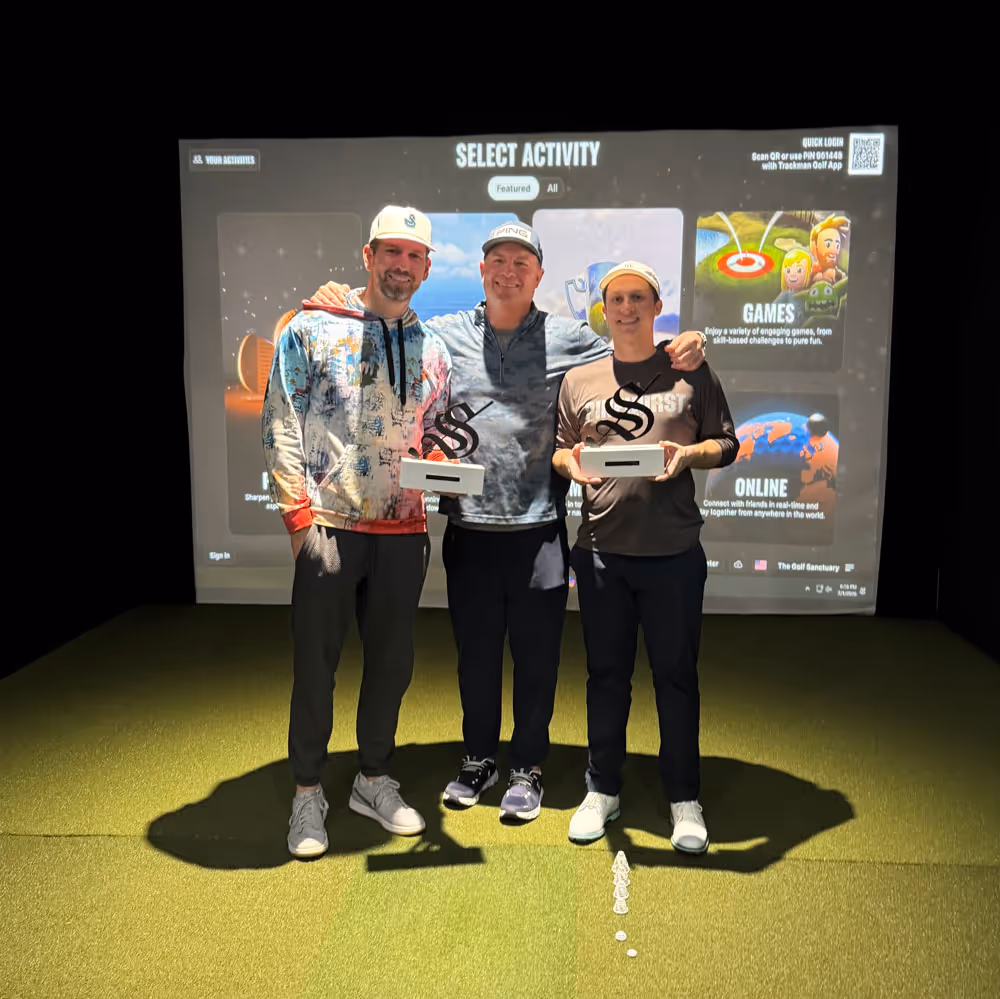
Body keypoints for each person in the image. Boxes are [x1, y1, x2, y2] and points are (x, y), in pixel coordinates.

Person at [309, 223, 706, 824]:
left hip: (539, 529)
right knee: (475, 657)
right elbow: (385, 322)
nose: (509, 271)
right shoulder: (441, 335)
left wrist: (686, 343)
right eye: (498, 260)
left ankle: (527, 768)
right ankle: (478, 759)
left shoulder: (571, 339)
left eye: (522, 263)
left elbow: (633, 346)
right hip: (468, 529)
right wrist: (339, 300)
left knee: (537, 660)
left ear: (539, 275)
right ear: (482, 269)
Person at [262, 206, 452, 859]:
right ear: (368, 256)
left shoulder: (435, 347)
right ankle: (307, 791)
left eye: (414, 255)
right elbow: (281, 420)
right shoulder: (311, 328)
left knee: (392, 665)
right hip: (330, 527)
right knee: (315, 667)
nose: (402, 264)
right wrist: (298, 522)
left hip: (404, 532)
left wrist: (445, 462)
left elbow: (437, 430)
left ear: (426, 267)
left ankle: (373, 779)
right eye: (391, 251)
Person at [552, 261, 737, 852]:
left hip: (673, 554)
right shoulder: (579, 379)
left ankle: (684, 797)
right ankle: (602, 788)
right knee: (605, 677)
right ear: (602, 309)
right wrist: (570, 463)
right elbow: (561, 449)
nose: (626, 308)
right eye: (616, 299)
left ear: (657, 306)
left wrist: (689, 456)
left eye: (638, 298)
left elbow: (726, 442)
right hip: (601, 553)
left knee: (676, 678)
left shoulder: (690, 370)